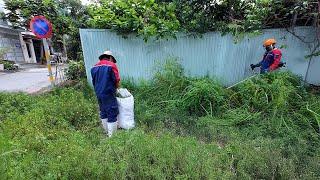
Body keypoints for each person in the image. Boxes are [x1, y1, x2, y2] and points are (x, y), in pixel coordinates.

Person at [91, 50, 120, 137]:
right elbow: (116, 80)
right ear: (110, 57)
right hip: (108, 93)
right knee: (112, 112)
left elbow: (94, 81)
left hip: (98, 93)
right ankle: (112, 138)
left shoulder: (94, 67)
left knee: (103, 112)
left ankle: (107, 132)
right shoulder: (111, 65)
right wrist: (117, 89)